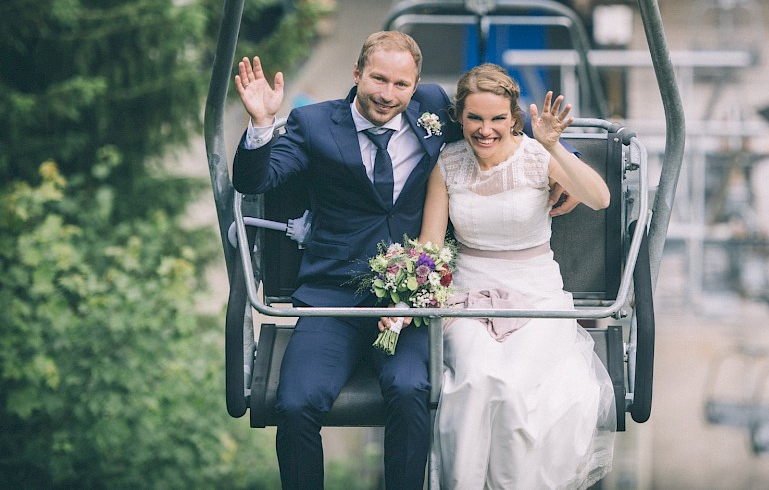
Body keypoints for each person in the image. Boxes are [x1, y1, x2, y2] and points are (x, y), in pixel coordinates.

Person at [231, 32, 579, 489]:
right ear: (356, 74)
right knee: (295, 404)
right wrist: (260, 125)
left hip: (407, 300)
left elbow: (495, 122)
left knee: (412, 389)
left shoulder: (432, 109)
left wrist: (564, 164)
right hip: (331, 296)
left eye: (401, 84)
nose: (387, 94)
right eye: (378, 79)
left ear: (416, 87)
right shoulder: (313, 124)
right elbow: (258, 180)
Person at [419, 63, 617, 489]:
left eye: (496, 119)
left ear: (513, 119)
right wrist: (415, 293)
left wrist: (555, 148)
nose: (485, 130)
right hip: (468, 297)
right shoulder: (448, 164)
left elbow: (599, 198)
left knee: (512, 391)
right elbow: (430, 249)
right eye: (475, 118)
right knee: (474, 380)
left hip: (537, 299)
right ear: (459, 118)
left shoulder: (536, 157)